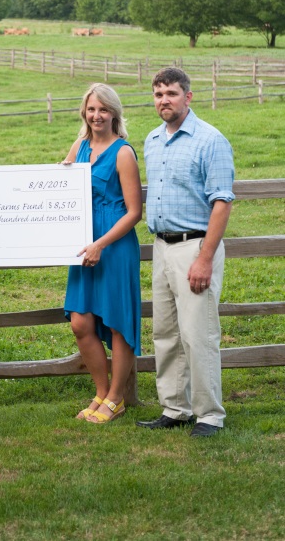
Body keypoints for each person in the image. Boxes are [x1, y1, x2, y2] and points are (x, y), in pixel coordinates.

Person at [137, 67, 234, 437]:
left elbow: (222, 203)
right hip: (162, 246)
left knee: (199, 334)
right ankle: (174, 407)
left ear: (188, 97)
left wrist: (205, 258)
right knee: (166, 333)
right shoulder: (152, 139)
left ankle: (209, 414)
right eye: (159, 94)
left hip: (195, 246)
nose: (164, 100)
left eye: (172, 94)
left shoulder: (211, 140)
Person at [63, 83, 143, 424]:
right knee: (81, 322)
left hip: (114, 246)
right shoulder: (79, 146)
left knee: (118, 324)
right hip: (83, 245)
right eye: (91, 109)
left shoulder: (123, 152)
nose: (97, 115)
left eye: (103, 109)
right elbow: (61, 185)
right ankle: (100, 391)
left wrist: (101, 244)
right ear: (85, 111)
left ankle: (116, 398)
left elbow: (134, 211)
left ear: (114, 113)